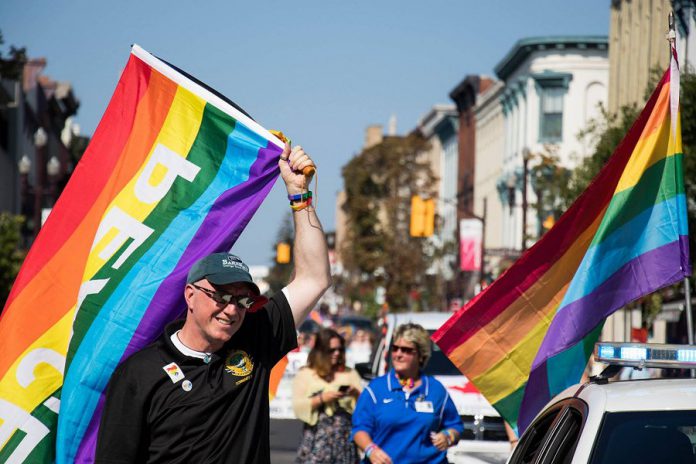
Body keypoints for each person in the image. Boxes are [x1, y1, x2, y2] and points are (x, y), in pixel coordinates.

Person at [95, 143, 331, 463]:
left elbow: (314, 278)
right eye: (220, 296)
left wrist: (299, 194)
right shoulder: (140, 373)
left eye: (243, 300)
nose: (232, 309)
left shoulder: (256, 338)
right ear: (190, 295)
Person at [352, 323, 463, 464]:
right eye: (395, 348)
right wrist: (371, 450)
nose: (398, 354)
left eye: (406, 350)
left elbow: (455, 426)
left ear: (421, 355)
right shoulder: (376, 389)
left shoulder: (435, 390)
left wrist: (448, 436)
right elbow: (359, 429)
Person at [292, 328, 362, 463]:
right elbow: (298, 406)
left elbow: (365, 407)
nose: (337, 353)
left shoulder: (350, 373)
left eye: (340, 349)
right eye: (332, 350)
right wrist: (322, 398)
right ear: (321, 351)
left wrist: (355, 393)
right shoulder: (306, 374)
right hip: (316, 442)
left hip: (344, 443)